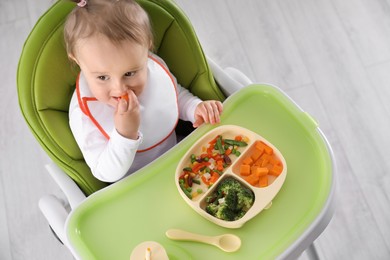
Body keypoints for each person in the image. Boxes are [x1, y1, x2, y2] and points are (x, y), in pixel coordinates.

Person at [64, 0, 223, 182]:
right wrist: (125, 135)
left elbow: (174, 95)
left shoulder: (151, 66)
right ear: (77, 60)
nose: (119, 88)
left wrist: (196, 108)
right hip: (138, 184)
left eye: (130, 73)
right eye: (102, 77)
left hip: (182, 159)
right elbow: (103, 173)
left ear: (147, 48)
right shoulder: (83, 113)